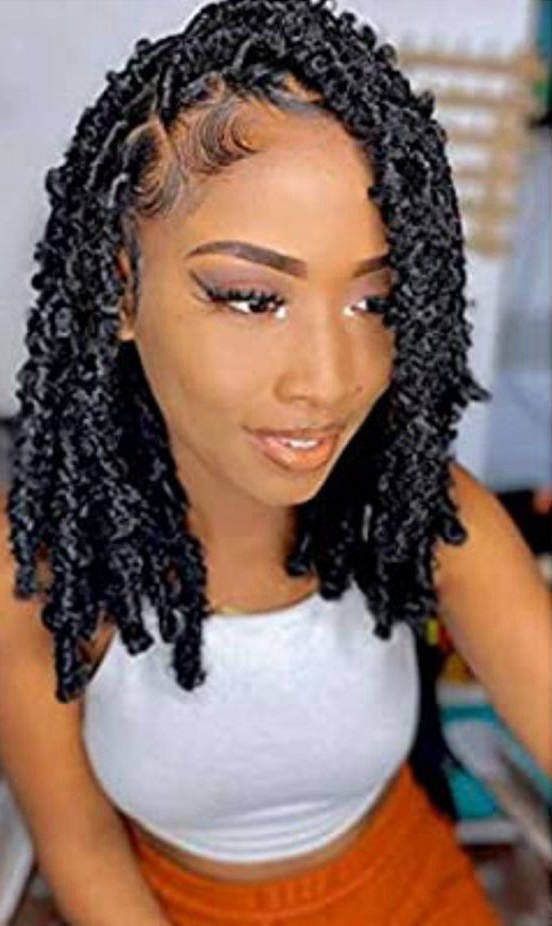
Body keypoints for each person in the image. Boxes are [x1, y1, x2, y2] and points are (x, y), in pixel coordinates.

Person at [0, 0, 550, 923]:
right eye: (253, 299)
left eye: (375, 304)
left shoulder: (419, 512)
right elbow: (84, 856)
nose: (329, 381)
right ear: (120, 290)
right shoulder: (44, 574)